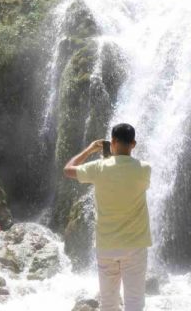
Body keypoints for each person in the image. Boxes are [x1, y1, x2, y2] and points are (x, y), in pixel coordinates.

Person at [63, 123, 151, 311]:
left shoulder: (98, 168)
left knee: (109, 303)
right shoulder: (144, 169)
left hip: (106, 246)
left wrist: (90, 149)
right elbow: (124, 173)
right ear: (133, 144)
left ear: (112, 142)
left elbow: (68, 169)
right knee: (135, 303)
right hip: (135, 246)